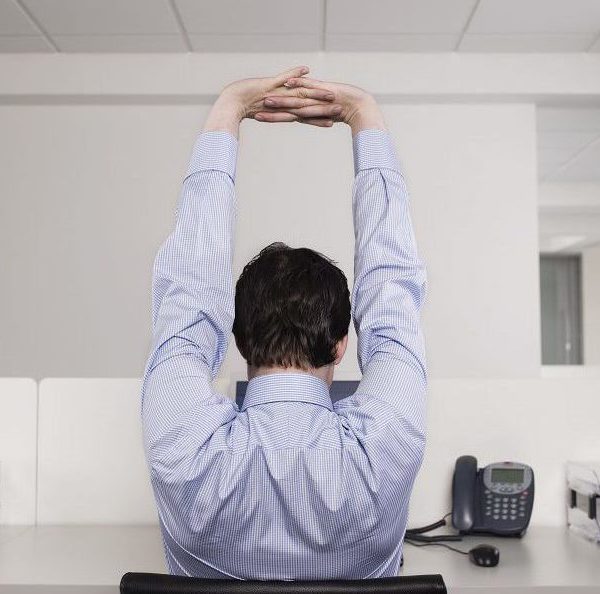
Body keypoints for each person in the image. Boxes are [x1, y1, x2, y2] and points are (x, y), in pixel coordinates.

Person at [141, 66, 428, 580]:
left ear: (237, 337)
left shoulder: (182, 443)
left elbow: (188, 292)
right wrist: (364, 113)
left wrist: (230, 104)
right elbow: (392, 292)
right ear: (342, 345)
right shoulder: (388, 444)